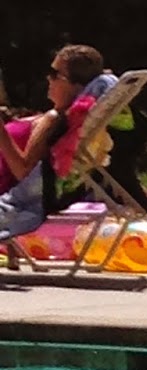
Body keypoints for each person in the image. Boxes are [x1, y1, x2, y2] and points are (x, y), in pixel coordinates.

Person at [0, 45, 103, 241]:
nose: (49, 78)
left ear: (76, 85)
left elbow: (23, 171)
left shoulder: (54, 119)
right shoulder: (64, 120)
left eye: (55, 74)